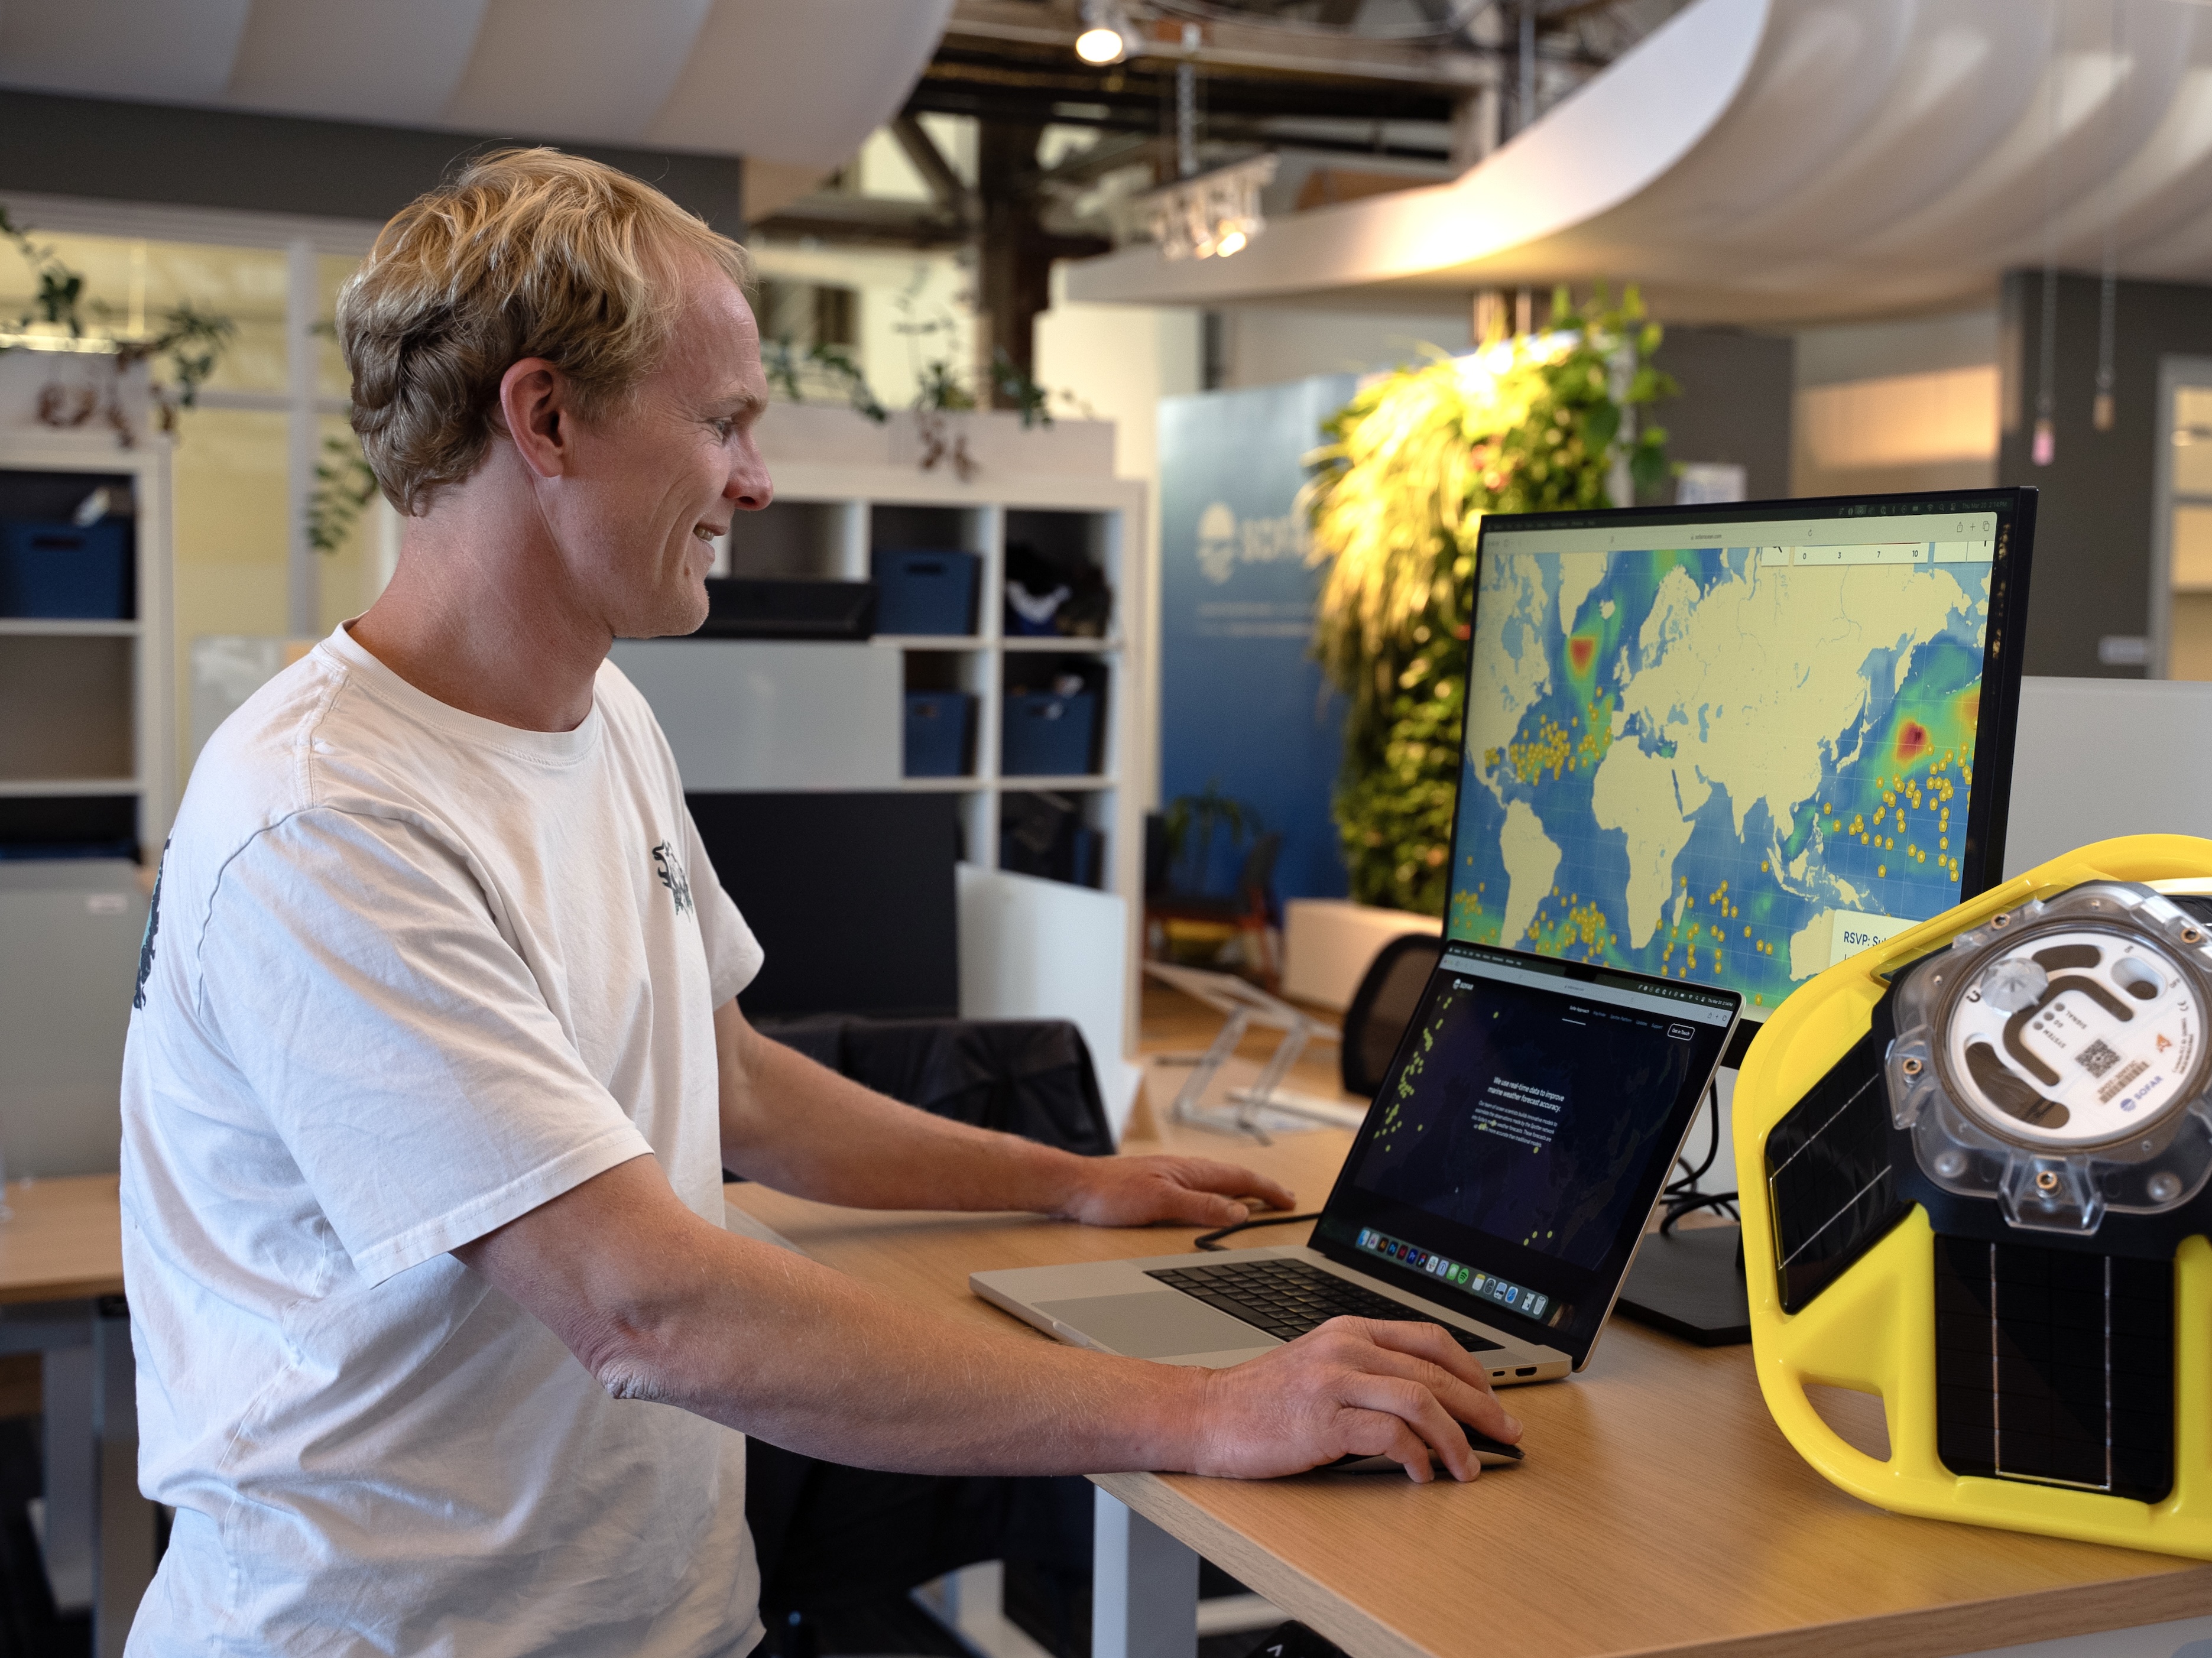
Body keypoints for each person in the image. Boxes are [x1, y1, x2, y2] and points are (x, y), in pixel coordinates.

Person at [119, 148, 1519, 1658]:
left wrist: (1062, 1179)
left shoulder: (602, 715)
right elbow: (645, 1307)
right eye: (721, 421)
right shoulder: (328, 818)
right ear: (547, 418)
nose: (757, 478)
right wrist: (1209, 1410)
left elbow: (729, 1080)